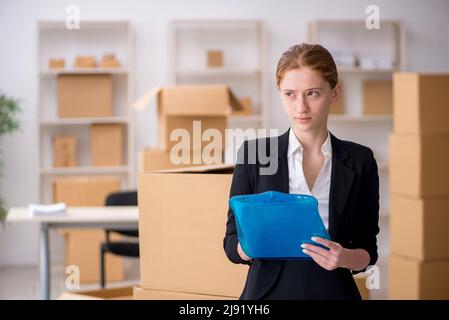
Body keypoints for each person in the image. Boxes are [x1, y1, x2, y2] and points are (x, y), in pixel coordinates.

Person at [223, 43, 380, 300]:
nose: (301, 107)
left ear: (335, 92)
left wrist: (343, 257)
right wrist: (249, 247)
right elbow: (230, 244)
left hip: (333, 291)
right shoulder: (254, 155)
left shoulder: (361, 160)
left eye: (313, 93)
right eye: (290, 94)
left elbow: (367, 251)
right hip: (266, 293)